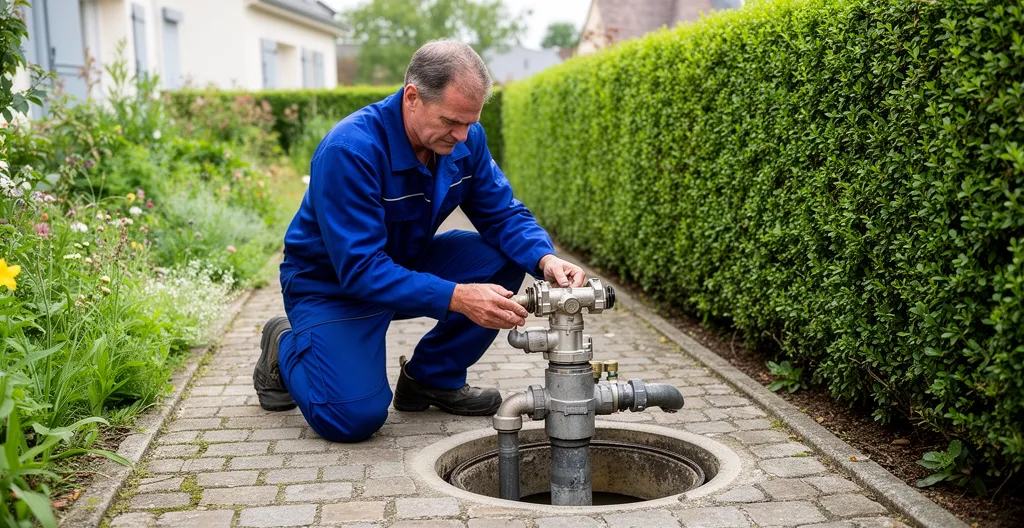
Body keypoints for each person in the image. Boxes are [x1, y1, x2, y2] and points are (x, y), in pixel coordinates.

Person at [253, 39, 586, 443]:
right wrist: (459, 297)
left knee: (506, 257)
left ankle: (432, 378)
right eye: (451, 121)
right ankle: (285, 343)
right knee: (353, 418)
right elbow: (360, 269)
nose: (463, 135)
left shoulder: (464, 139)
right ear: (412, 97)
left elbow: (501, 212)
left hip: (404, 264)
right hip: (333, 287)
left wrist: (546, 259)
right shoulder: (350, 151)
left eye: (471, 122)